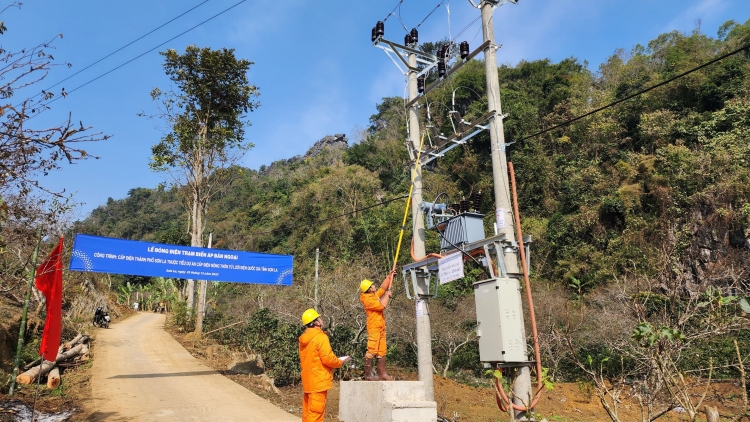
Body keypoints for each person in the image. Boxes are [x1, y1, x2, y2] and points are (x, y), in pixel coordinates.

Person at [299, 308, 349, 422]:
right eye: (319, 318)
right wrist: (339, 362)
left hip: (308, 382)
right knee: (316, 415)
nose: (321, 319)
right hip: (318, 381)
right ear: (316, 322)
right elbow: (328, 359)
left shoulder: (304, 340)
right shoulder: (321, 337)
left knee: (308, 414)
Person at [359, 269, 396, 381]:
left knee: (381, 350)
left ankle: (382, 374)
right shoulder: (367, 300)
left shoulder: (373, 295)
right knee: (372, 350)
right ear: (369, 289)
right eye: (372, 285)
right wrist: (387, 295)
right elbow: (381, 306)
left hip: (381, 326)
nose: (374, 286)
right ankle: (368, 375)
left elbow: (383, 288)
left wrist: (390, 276)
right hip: (374, 326)